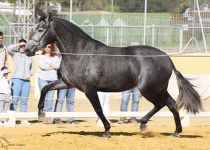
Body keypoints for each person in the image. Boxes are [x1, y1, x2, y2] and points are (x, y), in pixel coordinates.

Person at [7, 39, 35, 125]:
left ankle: (24, 119)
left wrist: (30, 74)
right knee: (14, 100)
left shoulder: (29, 56)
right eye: (21, 46)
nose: (23, 47)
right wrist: (18, 44)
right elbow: (8, 48)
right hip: (16, 80)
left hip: (26, 81)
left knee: (24, 101)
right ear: (19, 46)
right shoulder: (15, 54)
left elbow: (32, 67)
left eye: (24, 45)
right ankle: (12, 119)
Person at [38, 43, 60, 124]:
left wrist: (48, 65)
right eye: (46, 47)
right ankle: (42, 115)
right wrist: (51, 66)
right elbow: (42, 66)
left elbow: (57, 66)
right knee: (44, 97)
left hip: (53, 80)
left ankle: (49, 117)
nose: (47, 48)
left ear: (52, 48)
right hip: (43, 79)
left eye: (49, 47)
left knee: (50, 99)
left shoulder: (56, 56)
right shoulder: (41, 56)